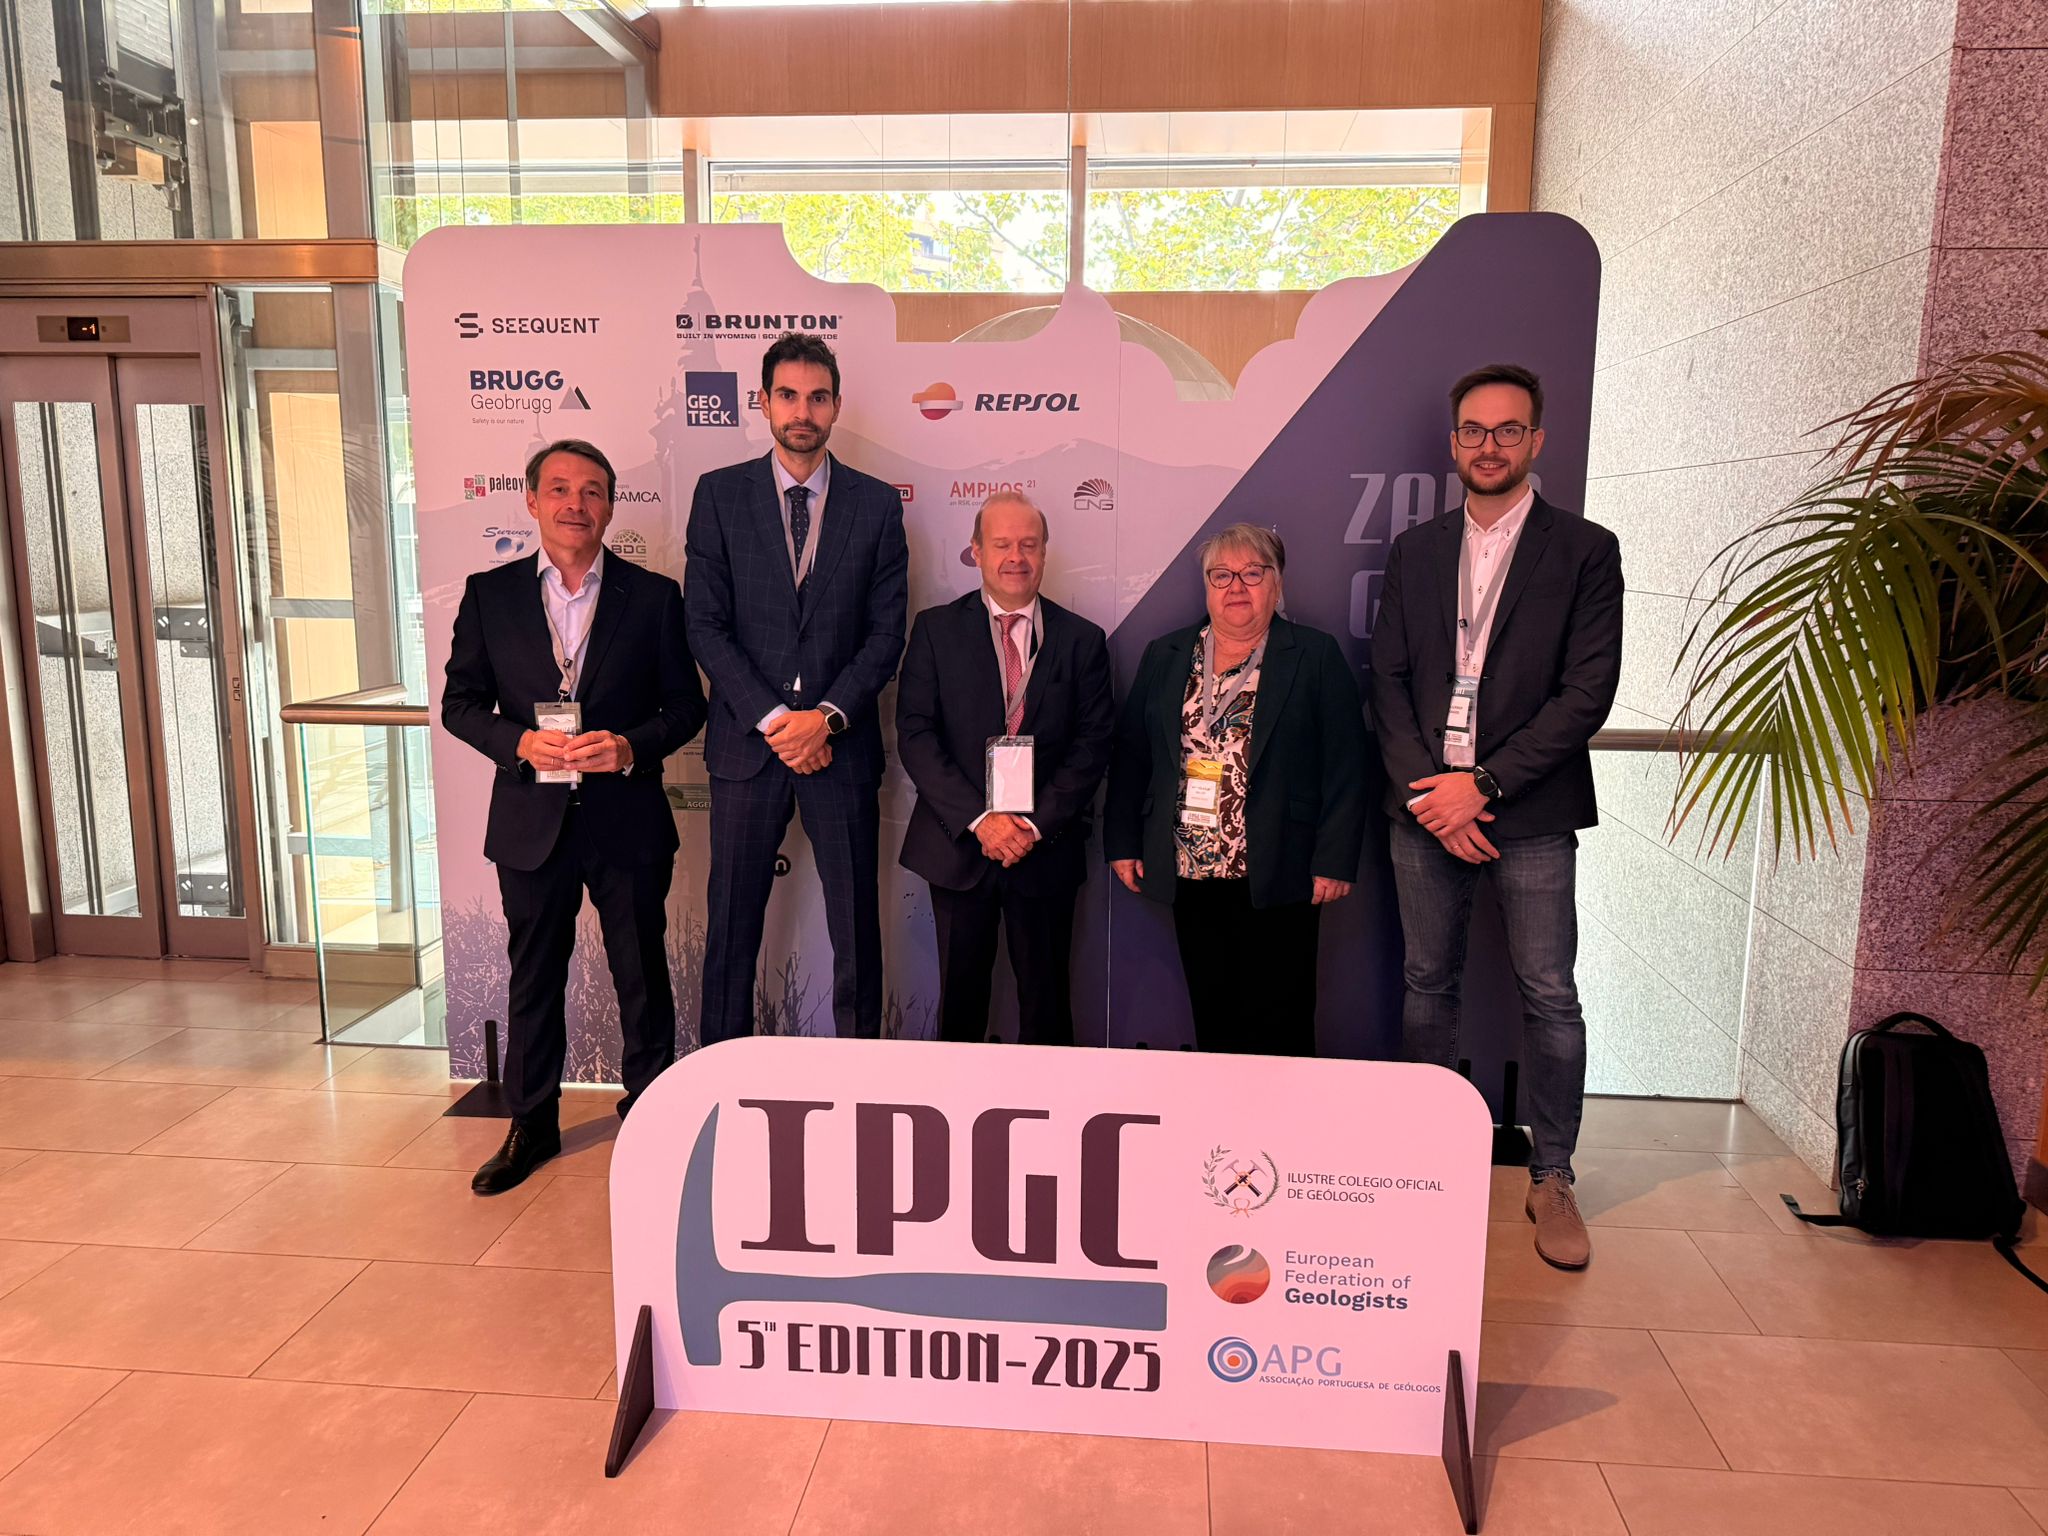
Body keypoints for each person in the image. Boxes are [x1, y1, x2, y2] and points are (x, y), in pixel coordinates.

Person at [1368, 362, 1623, 1270]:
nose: (1490, 445)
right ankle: (1426, 1161)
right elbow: (1388, 682)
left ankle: (1551, 1175)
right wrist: (1433, 796)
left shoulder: (1585, 551)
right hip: (1425, 808)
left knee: (1549, 993)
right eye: (1474, 430)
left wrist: (1484, 786)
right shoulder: (1418, 551)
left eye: (1508, 430)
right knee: (1425, 984)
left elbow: (1587, 692)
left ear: (1536, 440)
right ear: (1454, 443)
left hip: (1532, 808)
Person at [443, 438, 707, 1195]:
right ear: (531, 501)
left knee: (642, 974)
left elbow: (686, 707)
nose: (575, 504)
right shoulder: (490, 595)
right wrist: (519, 743)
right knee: (533, 976)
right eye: (559, 489)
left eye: (592, 491)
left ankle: (651, 1113)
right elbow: (460, 704)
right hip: (531, 820)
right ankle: (532, 1124)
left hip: (626, 815)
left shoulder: (652, 596)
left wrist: (627, 747)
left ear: (610, 507)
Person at [685, 332, 909, 1043]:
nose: (802, 411)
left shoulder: (877, 505)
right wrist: (780, 719)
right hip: (749, 750)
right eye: (788, 395)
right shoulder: (720, 495)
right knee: (731, 929)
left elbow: (886, 635)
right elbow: (705, 626)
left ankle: (859, 1077)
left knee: (857, 931)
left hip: (841, 750)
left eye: (817, 397)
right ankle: (719, 1074)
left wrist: (827, 718)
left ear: (836, 405)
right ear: (763, 402)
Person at [1103, 522, 1368, 1054]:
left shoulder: (1313, 655)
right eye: (1221, 575)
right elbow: (1132, 754)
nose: (1236, 587)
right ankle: (1220, 1113)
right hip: (1190, 865)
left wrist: (1335, 859)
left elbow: (1347, 764)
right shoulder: (1167, 654)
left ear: (1277, 583)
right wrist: (1124, 841)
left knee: (1283, 1020)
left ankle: (1282, 1113)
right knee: (1213, 1015)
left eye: (1252, 573)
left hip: (1281, 867)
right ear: (1206, 586)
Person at [896, 491, 1114, 1045]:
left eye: (1028, 545)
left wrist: (1031, 826)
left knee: (1047, 1008)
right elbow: (916, 735)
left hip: (1045, 849)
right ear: (976, 551)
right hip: (959, 848)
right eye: (1002, 545)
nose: (1016, 557)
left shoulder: (1082, 640)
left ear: (1044, 552)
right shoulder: (935, 630)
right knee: (960, 1007)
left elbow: (1092, 745)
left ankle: (1052, 1102)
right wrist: (983, 821)